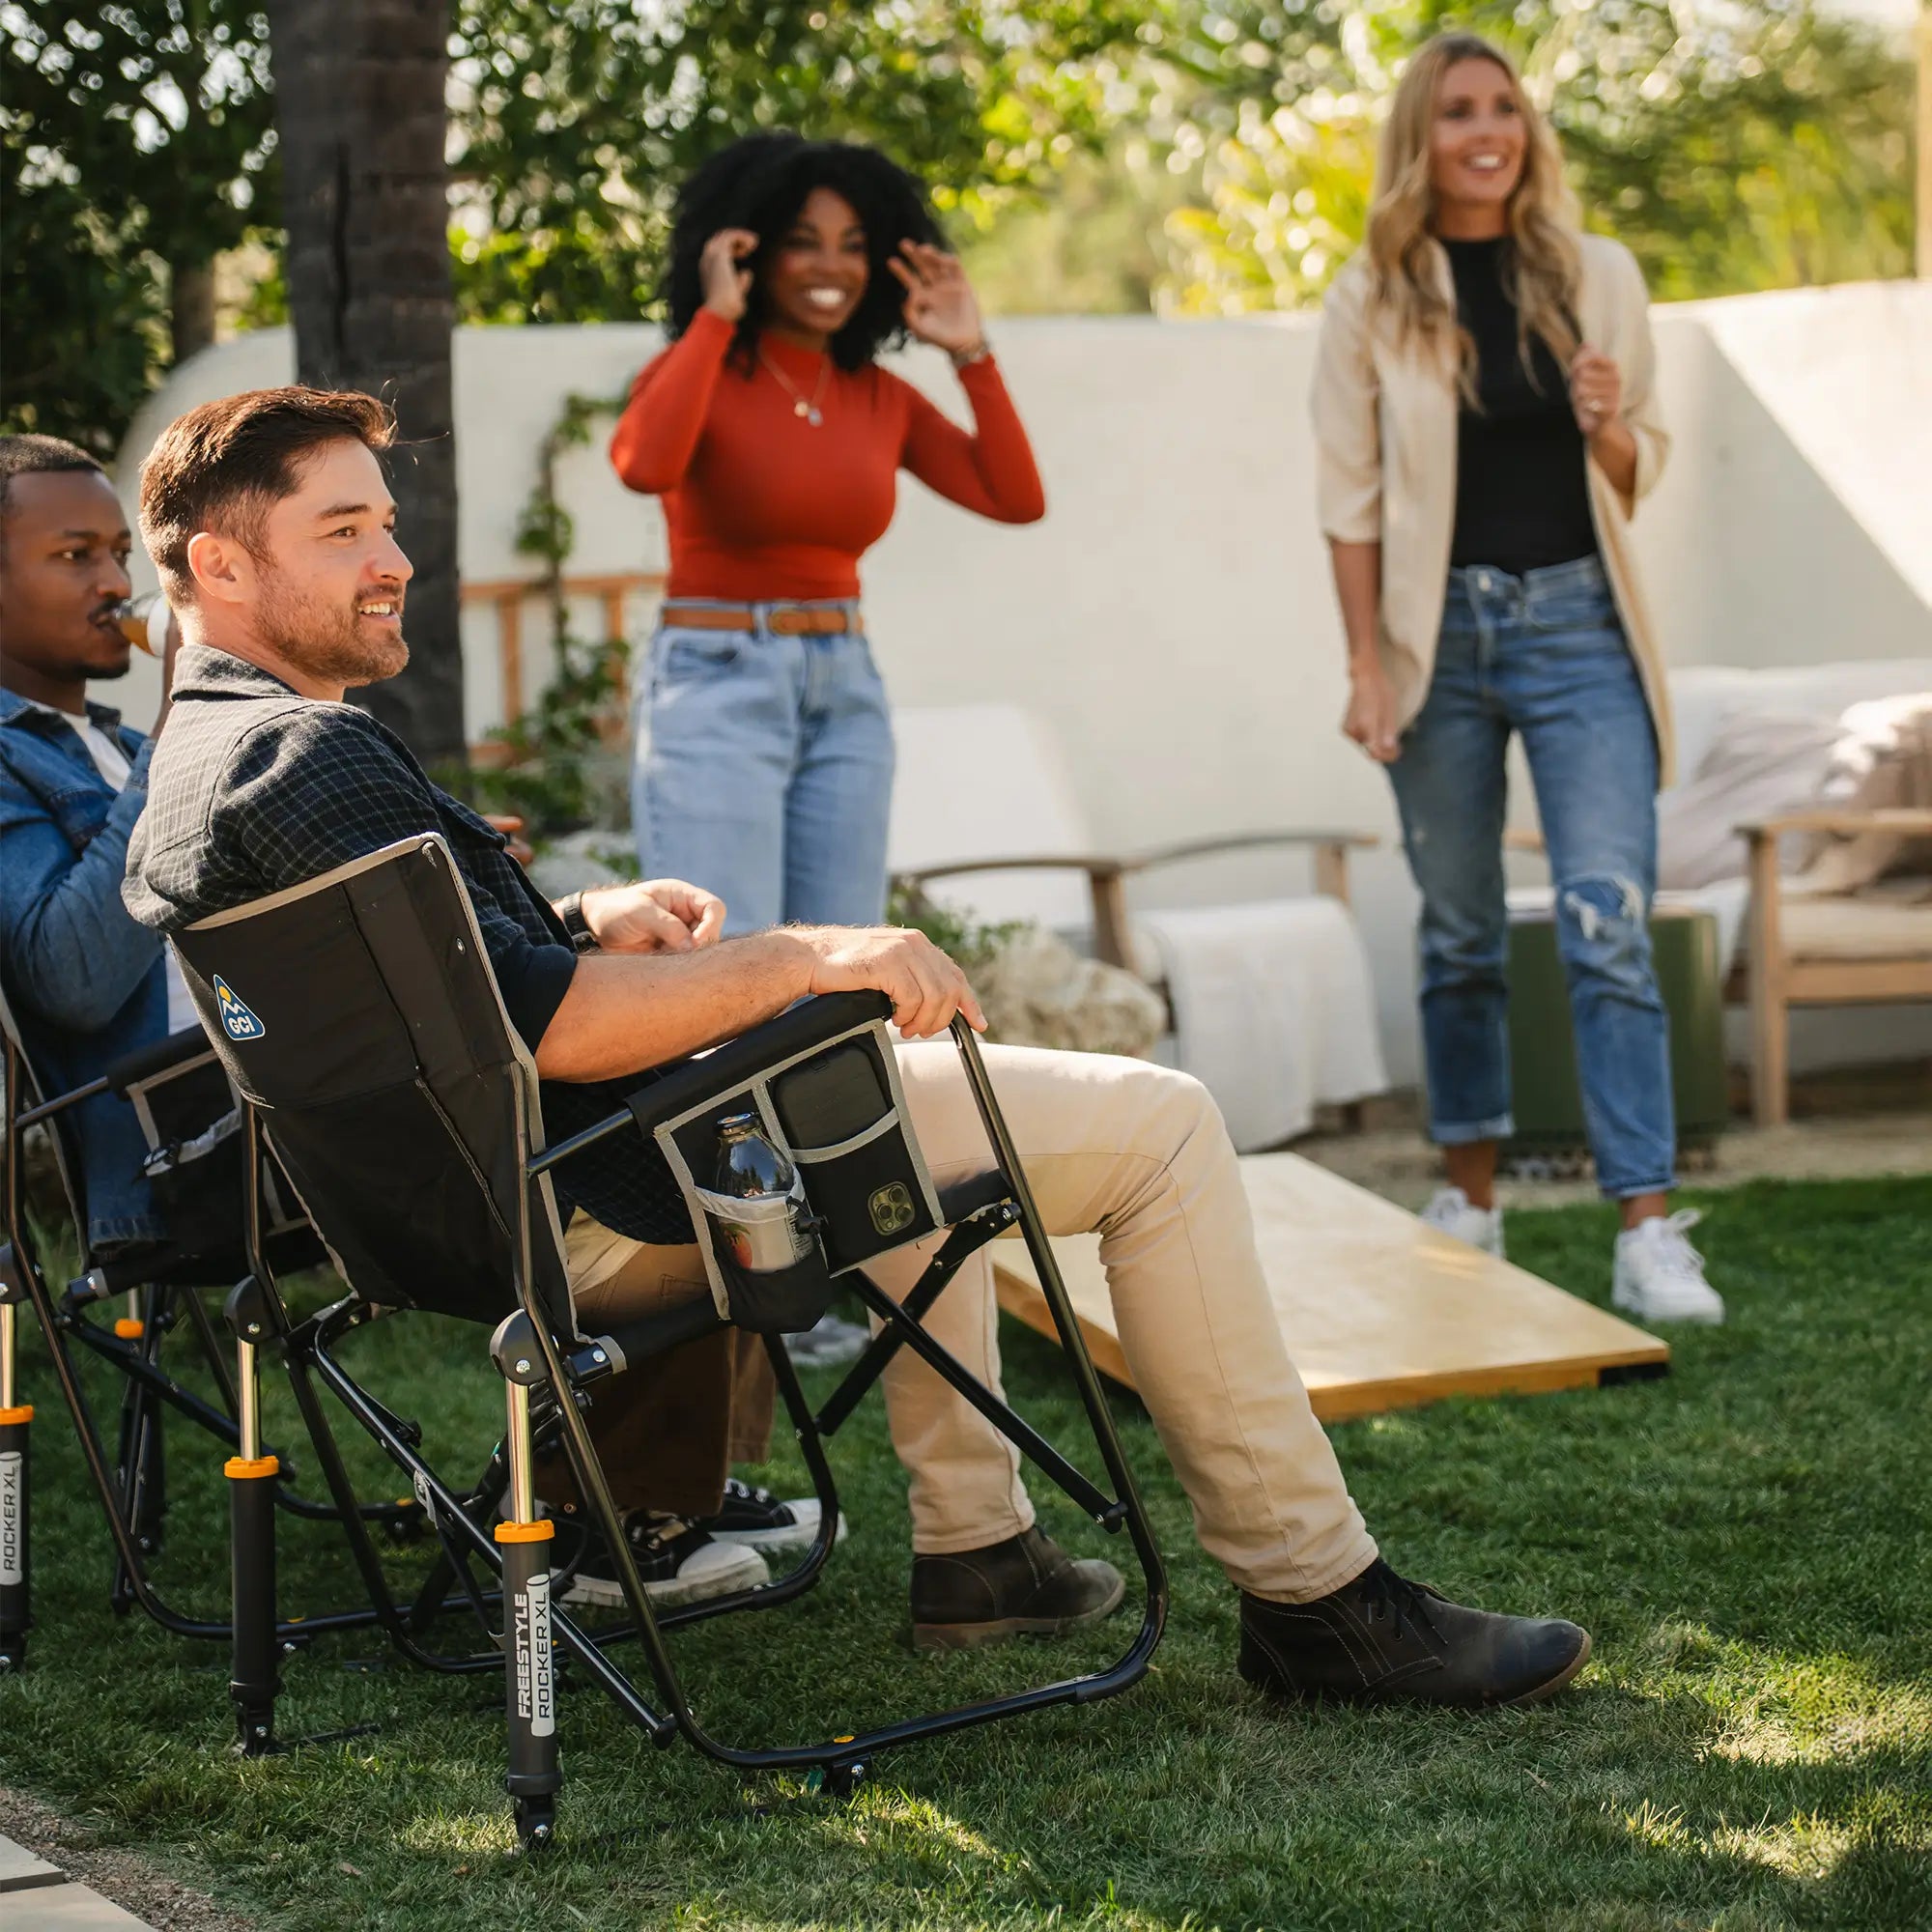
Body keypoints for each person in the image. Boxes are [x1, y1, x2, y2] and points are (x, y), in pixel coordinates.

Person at [128, 384, 1591, 1708]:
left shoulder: (203, 763)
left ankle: (980, 1553)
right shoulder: (303, 753)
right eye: (343, 531)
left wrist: (577, 909)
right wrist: (805, 960)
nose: (392, 560)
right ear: (221, 564)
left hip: (479, 1213)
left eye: (387, 524)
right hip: (616, 1192)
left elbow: (434, 986)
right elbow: (551, 1029)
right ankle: (1320, 1602)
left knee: (879, 1113)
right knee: (1161, 1130)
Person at [611, 131, 1045, 1371]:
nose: (829, 265)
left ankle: (835, 1261)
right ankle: (724, 1270)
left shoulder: (873, 395)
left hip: (841, 683)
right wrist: (711, 316)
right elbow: (644, 461)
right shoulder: (706, 365)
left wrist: (971, 350)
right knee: (717, 978)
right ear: (742, 242)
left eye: (854, 244)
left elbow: (1013, 494)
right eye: (799, 238)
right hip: (716, 680)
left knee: (843, 983)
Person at [1311, 32, 1722, 1324]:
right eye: (1455, 113)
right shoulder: (1369, 294)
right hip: (1443, 645)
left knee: (1609, 920)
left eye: (1502, 109)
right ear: (1417, 141)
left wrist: (1607, 422)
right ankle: (1471, 1205)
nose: (1485, 131)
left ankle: (1646, 1229)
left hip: (1579, 632)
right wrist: (1368, 662)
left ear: (1527, 130)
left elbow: (1635, 472)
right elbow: (1351, 499)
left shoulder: (1597, 273)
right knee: (1460, 934)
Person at [0, 433, 195, 1251]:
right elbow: (74, 978)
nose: (118, 583)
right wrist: (185, 718)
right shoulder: (16, 758)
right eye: (75, 555)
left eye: (119, 553)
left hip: (289, 1078)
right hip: (184, 1142)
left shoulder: (115, 743)